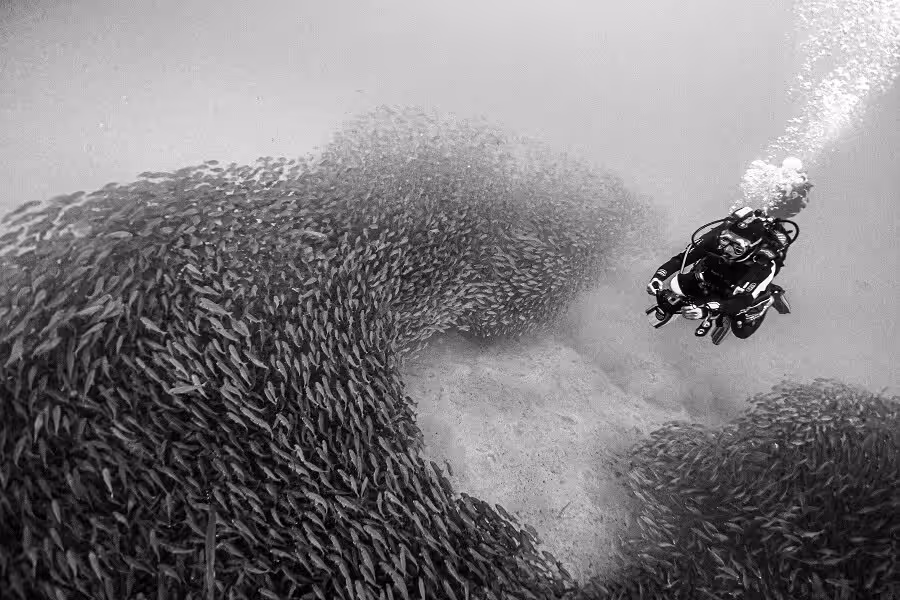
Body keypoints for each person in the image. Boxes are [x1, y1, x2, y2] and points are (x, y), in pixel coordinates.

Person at [645, 206, 793, 339]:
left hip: (739, 287)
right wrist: (658, 277)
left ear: (752, 248)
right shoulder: (715, 238)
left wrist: (706, 311)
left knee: (741, 329)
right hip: (711, 274)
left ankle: (769, 296)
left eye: (737, 248)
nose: (726, 250)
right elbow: (681, 259)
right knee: (678, 289)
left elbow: (743, 301)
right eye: (725, 241)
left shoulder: (764, 264)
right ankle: (700, 302)